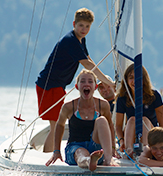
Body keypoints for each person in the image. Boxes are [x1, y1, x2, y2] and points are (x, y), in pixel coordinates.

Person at [35, 8, 115, 152]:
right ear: (74, 24)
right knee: (55, 125)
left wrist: (102, 79)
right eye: (81, 25)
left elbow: (89, 59)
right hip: (49, 86)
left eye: (87, 26)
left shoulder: (81, 40)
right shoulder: (70, 41)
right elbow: (87, 65)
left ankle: (50, 155)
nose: (84, 29)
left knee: (55, 124)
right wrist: (110, 83)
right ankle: (49, 157)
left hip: (58, 85)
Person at [45, 69, 117, 171]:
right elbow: (60, 125)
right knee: (80, 153)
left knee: (101, 120)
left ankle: (108, 160)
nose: (86, 84)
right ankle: (89, 161)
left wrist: (113, 148)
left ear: (95, 87)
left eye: (90, 81)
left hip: (96, 147)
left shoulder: (103, 105)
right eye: (82, 81)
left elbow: (110, 125)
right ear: (77, 86)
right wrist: (56, 151)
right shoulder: (68, 107)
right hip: (75, 146)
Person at [115, 64, 163, 155]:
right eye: (131, 77)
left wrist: (162, 143)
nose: (134, 81)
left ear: (144, 80)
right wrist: (121, 141)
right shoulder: (122, 98)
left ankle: (145, 151)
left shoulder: (154, 96)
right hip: (131, 133)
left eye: (138, 77)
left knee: (144, 119)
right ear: (126, 80)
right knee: (132, 119)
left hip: (151, 135)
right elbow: (118, 126)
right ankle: (129, 150)